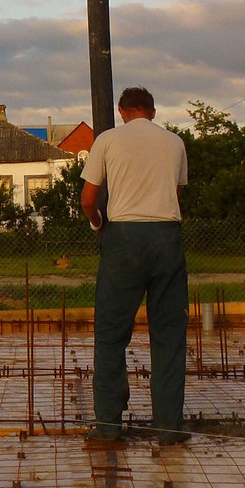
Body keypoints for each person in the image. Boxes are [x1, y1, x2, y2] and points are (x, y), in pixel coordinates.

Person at [80, 86, 188, 443]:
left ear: (122, 111)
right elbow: (174, 195)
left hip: (123, 239)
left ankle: (109, 428)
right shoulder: (174, 142)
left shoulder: (108, 140)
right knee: (169, 337)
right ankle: (169, 430)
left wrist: (98, 223)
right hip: (166, 237)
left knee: (110, 336)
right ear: (153, 112)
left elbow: (87, 199)